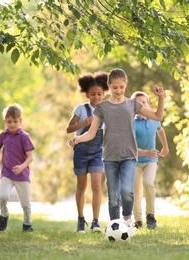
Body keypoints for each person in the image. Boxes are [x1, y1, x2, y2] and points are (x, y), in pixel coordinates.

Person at [69, 68, 165, 227]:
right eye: (115, 87)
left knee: (127, 192)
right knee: (113, 196)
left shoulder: (132, 104)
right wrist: (77, 139)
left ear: (126, 85)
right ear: (109, 85)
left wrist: (161, 98)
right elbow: (92, 133)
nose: (118, 91)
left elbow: (157, 116)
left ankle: (127, 220)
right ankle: (114, 225)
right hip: (110, 157)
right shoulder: (102, 107)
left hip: (128, 156)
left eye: (121, 87)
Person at [66, 72, 109, 233]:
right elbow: (69, 128)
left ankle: (96, 221)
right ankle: (80, 219)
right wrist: (84, 123)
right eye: (93, 94)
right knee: (81, 186)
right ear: (86, 94)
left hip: (98, 152)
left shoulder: (107, 109)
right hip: (81, 152)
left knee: (97, 185)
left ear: (104, 93)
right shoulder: (81, 109)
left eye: (99, 94)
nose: (96, 97)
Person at [0, 104, 35, 232]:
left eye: (15, 121)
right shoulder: (3, 135)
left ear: (20, 121)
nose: (12, 124)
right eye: (9, 121)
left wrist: (22, 167)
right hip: (7, 173)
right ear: (5, 121)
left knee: (25, 204)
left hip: (22, 175)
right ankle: (4, 215)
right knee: (3, 197)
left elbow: (30, 157)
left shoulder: (24, 137)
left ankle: (27, 224)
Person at [130, 91, 169, 230]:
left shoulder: (154, 119)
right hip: (135, 161)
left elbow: (161, 130)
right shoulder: (132, 122)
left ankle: (151, 216)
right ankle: (138, 220)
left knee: (148, 183)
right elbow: (131, 146)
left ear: (148, 104)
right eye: (137, 103)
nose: (141, 105)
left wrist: (165, 146)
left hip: (151, 160)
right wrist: (144, 152)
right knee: (136, 191)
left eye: (144, 102)